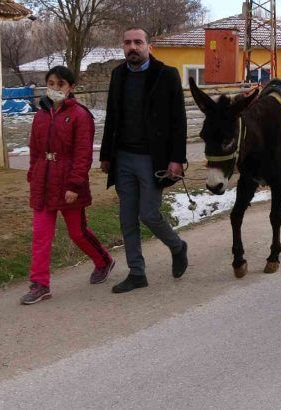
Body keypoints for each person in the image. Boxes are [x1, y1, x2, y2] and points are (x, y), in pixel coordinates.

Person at [100, 27, 188, 293]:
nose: (132, 47)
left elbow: (179, 121)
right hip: (123, 157)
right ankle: (137, 273)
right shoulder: (118, 75)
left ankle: (177, 246)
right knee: (127, 218)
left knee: (148, 213)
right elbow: (112, 117)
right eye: (127, 42)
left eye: (138, 42)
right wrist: (106, 155)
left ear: (149, 46)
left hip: (153, 159)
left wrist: (177, 159)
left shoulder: (167, 75)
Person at [22, 66, 115, 305]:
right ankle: (40, 284)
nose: (54, 88)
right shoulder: (40, 115)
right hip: (43, 181)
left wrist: (74, 185)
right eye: (51, 83)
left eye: (60, 84)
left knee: (77, 232)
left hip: (68, 182)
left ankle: (103, 260)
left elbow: (83, 154)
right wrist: (33, 172)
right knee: (41, 235)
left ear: (71, 87)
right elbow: (35, 149)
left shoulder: (80, 116)